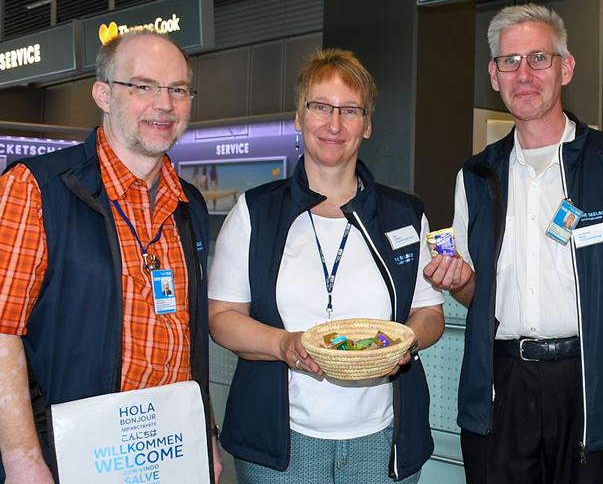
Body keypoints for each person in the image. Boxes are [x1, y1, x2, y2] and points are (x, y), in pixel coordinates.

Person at [424, 4, 603, 483]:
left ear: (565, 68)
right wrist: (459, 281)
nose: (524, 74)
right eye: (510, 62)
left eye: (539, 59)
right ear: (494, 76)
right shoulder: (476, 177)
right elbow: (475, 293)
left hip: (592, 383)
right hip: (503, 390)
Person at [208, 48, 444, 483]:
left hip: (383, 439)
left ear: (367, 124)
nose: (334, 125)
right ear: (299, 117)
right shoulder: (255, 212)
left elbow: (430, 313)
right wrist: (284, 345)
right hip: (280, 444)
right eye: (320, 107)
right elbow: (222, 318)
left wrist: (404, 344)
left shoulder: (404, 215)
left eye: (350, 110)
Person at [0, 31, 221, 482]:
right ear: (103, 94)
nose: (164, 104)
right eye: (143, 86)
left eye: (178, 89)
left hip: (170, 451)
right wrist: (23, 461)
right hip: (71, 454)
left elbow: (189, 340)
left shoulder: (188, 205)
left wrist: (207, 437)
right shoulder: (35, 188)